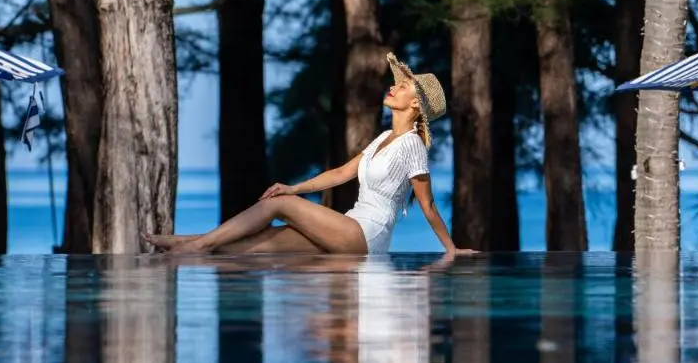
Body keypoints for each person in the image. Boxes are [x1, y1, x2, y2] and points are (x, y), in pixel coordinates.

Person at [145, 52, 476, 257]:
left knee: (278, 206)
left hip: (366, 236)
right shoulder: (384, 138)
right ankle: (185, 244)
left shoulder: (412, 146)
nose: (393, 86)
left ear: (416, 104)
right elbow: (340, 174)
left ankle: (195, 245)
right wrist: (294, 188)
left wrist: (450, 249)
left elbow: (428, 204)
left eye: (403, 87)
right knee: (268, 241)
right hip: (349, 225)